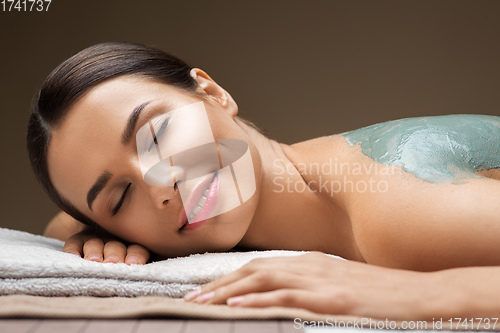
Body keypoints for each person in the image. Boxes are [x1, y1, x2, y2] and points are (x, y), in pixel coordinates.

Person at [27, 42, 500, 321]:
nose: (164, 184)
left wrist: (415, 293)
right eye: (121, 196)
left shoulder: (400, 210)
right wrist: (91, 235)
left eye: (160, 133)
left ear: (214, 93)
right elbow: (60, 226)